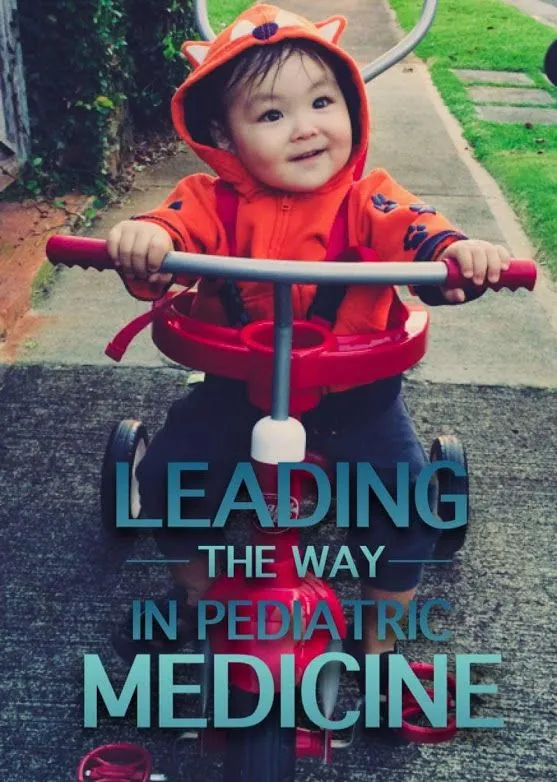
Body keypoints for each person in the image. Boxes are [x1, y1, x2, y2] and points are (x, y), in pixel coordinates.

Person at [107, 3, 509, 726]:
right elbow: (170, 230)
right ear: (221, 137)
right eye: (271, 114)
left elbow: (414, 229)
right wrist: (146, 242)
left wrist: (453, 256)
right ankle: (196, 594)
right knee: (168, 479)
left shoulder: (367, 197)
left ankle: (381, 630)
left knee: (403, 505)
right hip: (236, 392)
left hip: (357, 398)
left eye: (323, 102)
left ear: (351, 107)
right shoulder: (209, 201)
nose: (306, 126)